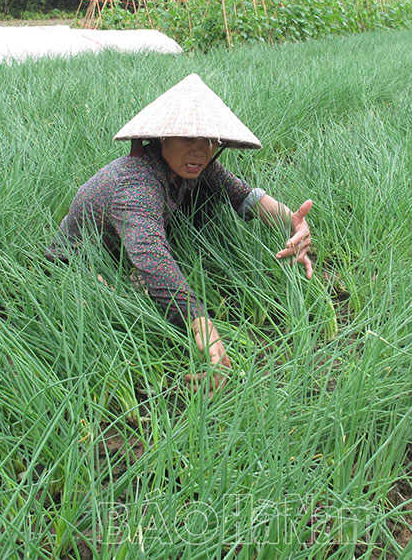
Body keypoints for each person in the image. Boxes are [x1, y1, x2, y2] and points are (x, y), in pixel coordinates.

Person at [46, 73, 313, 392]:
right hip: (79, 265)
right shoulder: (135, 185)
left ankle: (141, 285)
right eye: (188, 138)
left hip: (126, 256)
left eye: (209, 140)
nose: (200, 150)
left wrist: (292, 222)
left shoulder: (197, 165)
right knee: (117, 316)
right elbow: (152, 259)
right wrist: (202, 324)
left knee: (212, 195)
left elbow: (244, 195)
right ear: (162, 137)